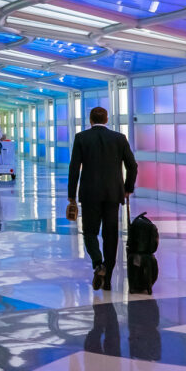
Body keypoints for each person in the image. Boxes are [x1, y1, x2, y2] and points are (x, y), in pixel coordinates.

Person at [68, 107, 138, 292]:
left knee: (90, 232)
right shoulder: (119, 138)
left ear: (90, 120)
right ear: (107, 119)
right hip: (113, 194)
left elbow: (74, 168)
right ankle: (107, 278)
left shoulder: (82, 138)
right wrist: (128, 188)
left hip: (90, 194)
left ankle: (98, 263)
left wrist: (71, 195)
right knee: (111, 235)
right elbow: (132, 166)